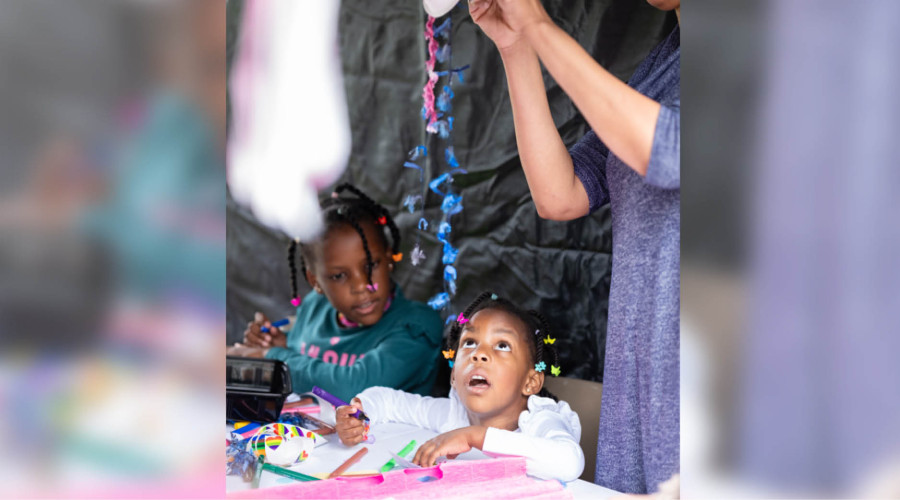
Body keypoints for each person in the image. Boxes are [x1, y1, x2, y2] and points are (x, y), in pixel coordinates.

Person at [468, 0, 680, 494]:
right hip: (644, 375)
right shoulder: (662, 62)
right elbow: (560, 194)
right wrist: (516, 44)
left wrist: (538, 24)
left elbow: (667, 150)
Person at [335, 291, 584, 483]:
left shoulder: (539, 421)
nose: (479, 354)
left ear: (530, 382)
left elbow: (569, 462)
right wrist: (359, 414)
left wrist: (473, 436)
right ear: (454, 375)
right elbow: (386, 399)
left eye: (502, 345)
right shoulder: (455, 414)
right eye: (470, 342)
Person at [227, 183, 444, 401]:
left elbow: (353, 388)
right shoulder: (314, 308)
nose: (361, 286)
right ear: (316, 281)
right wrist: (278, 345)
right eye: (339, 276)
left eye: (370, 266)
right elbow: (301, 362)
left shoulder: (417, 326)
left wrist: (273, 357)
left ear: (389, 259)